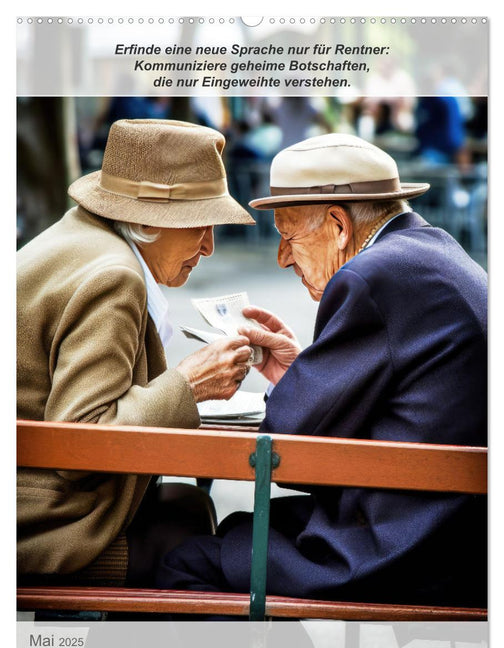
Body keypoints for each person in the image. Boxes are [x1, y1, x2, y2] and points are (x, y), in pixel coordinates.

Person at [155, 133, 487, 608]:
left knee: (189, 560)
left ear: (338, 226)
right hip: (457, 535)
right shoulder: (435, 251)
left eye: (289, 237)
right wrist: (298, 373)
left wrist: (291, 392)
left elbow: (288, 442)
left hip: (408, 551)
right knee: (237, 535)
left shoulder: (371, 277)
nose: (282, 258)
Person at [17, 118, 255, 587]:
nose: (208, 246)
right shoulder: (114, 276)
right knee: (191, 544)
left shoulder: (77, 236)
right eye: (200, 224)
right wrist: (189, 384)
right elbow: (81, 438)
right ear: (147, 219)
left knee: (187, 509)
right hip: (39, 528)